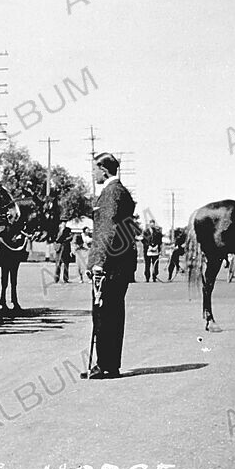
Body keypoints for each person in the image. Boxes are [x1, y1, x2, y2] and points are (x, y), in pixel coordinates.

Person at [86, 152, 137, 380]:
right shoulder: (118, 191)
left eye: (95, 169)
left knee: (105, 313)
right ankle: (108, 365)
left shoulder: (111, 193)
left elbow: (108, 230)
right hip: (119, 262)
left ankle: (105, 365)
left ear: (104, 170)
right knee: (111, 313)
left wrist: (99, 263)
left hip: (112, 264)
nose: (93, 173)